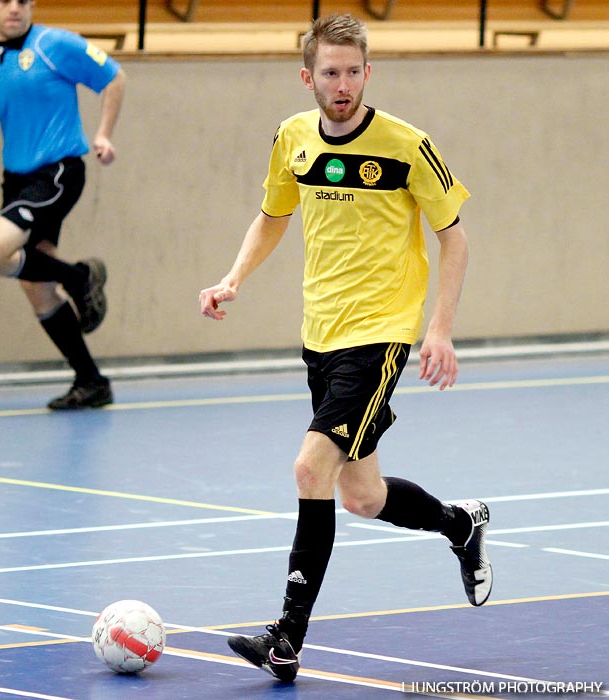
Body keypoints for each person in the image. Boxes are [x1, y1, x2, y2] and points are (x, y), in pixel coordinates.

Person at [199, 13, 492, 683]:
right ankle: (459, 525)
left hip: (379, 333)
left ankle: (286, 637)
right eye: (328, 72)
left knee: (310, 469)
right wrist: (232, 278)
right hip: (319, 336)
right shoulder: (292, 138)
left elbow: (454, 237)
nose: (341, 84)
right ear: (308, 76)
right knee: (361, 494)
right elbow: (274, 214)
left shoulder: (406, 146)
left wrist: (437, 330)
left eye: (352, 71)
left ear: (368, 72)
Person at [0, 0, 125, 409]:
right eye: (4, 0)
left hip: (56, 172)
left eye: (22, 0)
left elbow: (114, 77)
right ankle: (91, 381)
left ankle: (78, 277)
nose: (14, 8)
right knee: (35, 285)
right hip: (16, 179)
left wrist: (103, 134)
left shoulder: (54, 44)